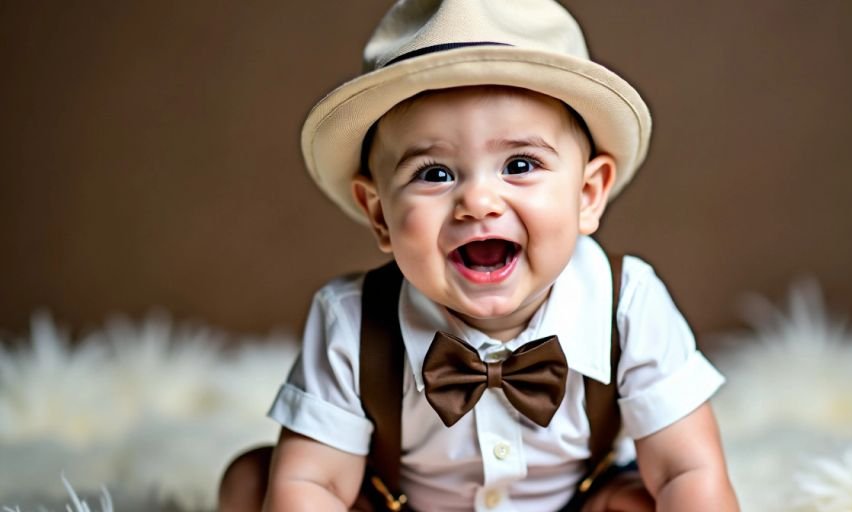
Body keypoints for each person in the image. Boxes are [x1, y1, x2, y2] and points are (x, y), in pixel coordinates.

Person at [219, 0, 739, 510]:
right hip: (404, 503)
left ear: (587, 194)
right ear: (379, 214)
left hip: (576, 502)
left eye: (519, 165)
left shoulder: (628, 304)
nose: (478, 201)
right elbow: (315, 483)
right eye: (434, 174)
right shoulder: (351, 321)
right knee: (254, 481)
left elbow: (687, 469)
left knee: (638, 502)